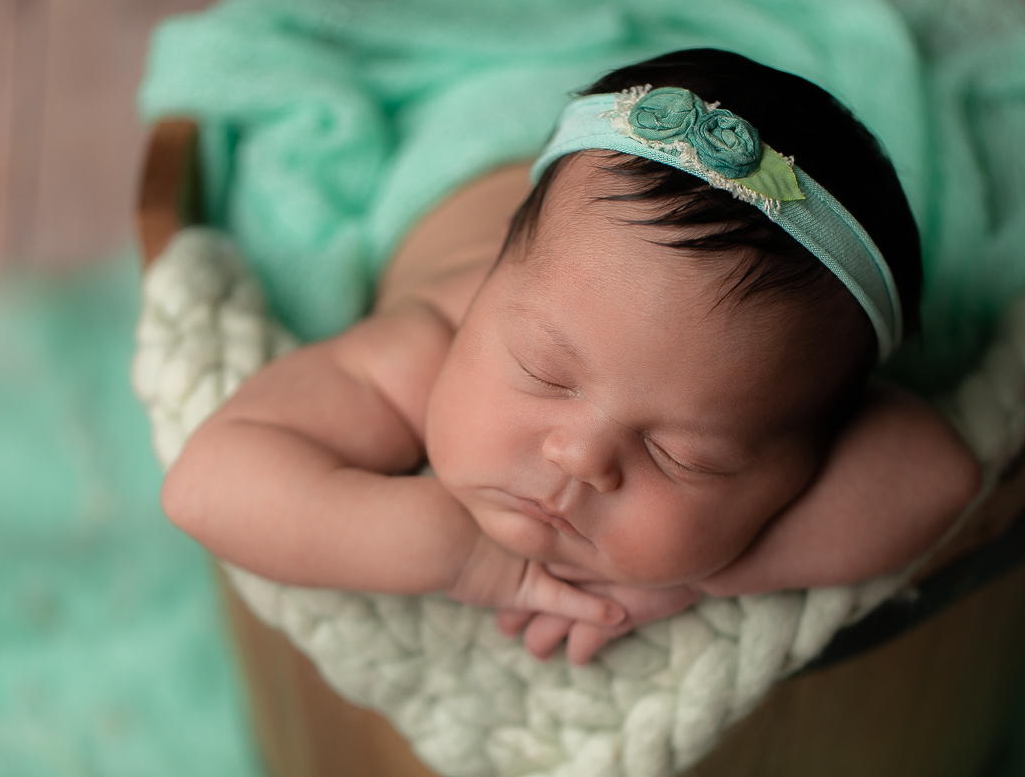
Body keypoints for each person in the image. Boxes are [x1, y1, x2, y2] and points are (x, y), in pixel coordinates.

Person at [161, 49, 980, 666]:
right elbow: (209, 483)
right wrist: (458, 553)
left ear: (804, 456)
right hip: (469, 154)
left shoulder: (775, 380)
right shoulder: (427, 347)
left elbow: (939, 477)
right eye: (544, 375)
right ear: (489, 292)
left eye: (685, 455)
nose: (581, 457)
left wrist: (705, 571)